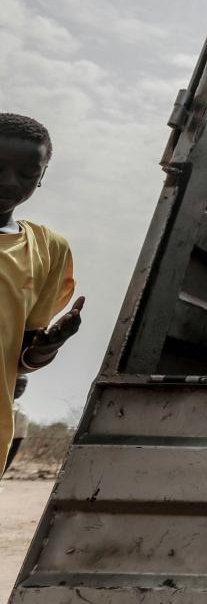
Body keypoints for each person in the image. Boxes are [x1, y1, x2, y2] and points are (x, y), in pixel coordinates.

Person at [0, 114, 84, 466]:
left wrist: (47, 347)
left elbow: (21, 358)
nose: (8, 182)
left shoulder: (48, 249)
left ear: (42, 176)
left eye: (28, 173)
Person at [5, 375, 29, 475]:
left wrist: (3, 469)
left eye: (23, 386)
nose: (20, 389)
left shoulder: (21, 413)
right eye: (17, 384)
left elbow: (14, 446)